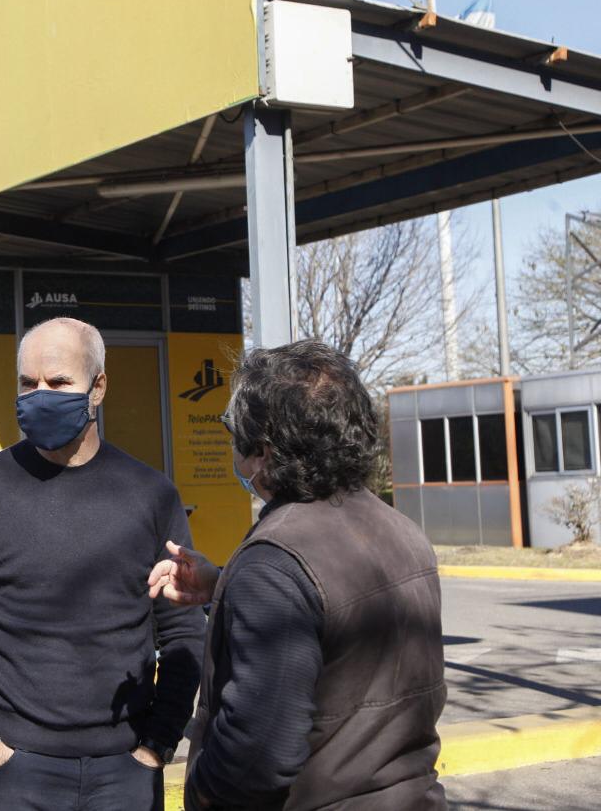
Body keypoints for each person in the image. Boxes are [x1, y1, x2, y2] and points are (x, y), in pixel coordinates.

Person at [148, 339, 446, 810]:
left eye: (234, 432)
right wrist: (221, 583)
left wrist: (202, 788)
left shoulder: (274, 563)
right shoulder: (401, 531)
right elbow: (334, 612)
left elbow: (259, 751)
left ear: (263, 452)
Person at [0, 316, 204, 811]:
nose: (40, 395)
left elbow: (183, 632)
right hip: (11, 771)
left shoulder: (150, 494)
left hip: (125, 771)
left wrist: (157, 745)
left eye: (58, 383)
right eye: (27, 384)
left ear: (98, 388)